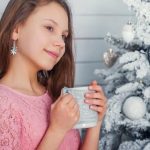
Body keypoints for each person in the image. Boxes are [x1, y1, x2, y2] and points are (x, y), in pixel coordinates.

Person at [0, 0, 107, 149]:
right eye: (49, 28)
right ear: (16, 29)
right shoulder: (3, 104)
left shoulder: (56, 95)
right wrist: (57, 130)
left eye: (64, 36)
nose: (61, 43)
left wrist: (95, 122)